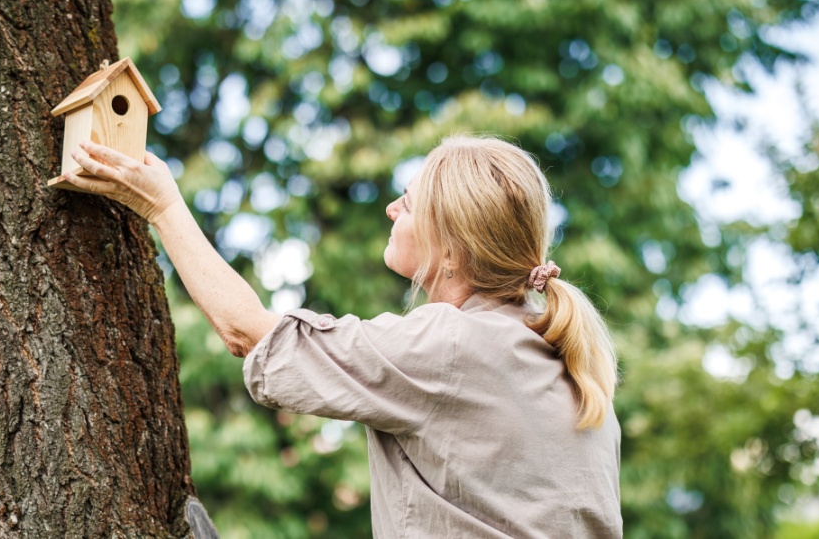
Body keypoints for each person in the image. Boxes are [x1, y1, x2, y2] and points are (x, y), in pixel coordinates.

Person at [64, 135, 622, 538]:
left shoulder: (452, 344)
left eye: (408, 200)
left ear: (450, 248)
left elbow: (251, 335)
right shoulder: (572, 369)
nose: (391, 208)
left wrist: (161, 205)